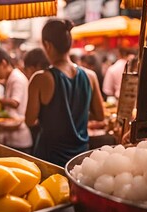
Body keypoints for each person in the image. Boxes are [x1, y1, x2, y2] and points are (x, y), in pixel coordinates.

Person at [25, 19, 104, 166]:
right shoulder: (90, 76)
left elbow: (30, 120)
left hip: (49, 158)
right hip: (80, 156)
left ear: (47, 45)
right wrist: (77, 113)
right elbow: (100, 115)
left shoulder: (40, 79)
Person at [0, 48, 32, 153]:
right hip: (12, 137)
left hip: (19, 140)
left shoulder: (17, 78)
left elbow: (15, 102)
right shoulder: (11, 77)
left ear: (3, 63)